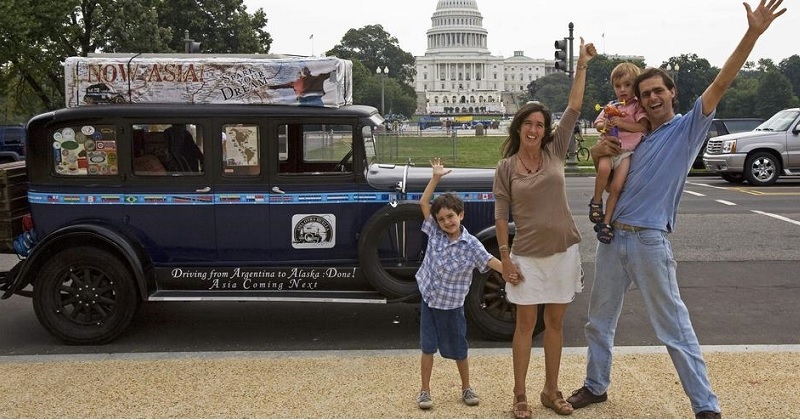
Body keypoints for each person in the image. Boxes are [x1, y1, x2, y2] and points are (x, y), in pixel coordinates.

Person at [567, 2, 786, 419]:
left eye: (658, 91)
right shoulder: (637, 134)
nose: (651, 98)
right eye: (644, 93)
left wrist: (753, 34)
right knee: (598, 321)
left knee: (673, 329)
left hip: (649, 240)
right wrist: (599, 147)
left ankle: (705, 406)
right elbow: (603, 157)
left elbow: (722, 81)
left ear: (672, 95)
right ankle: (596, 385)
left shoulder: (687, 129)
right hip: (614, 238)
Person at [493, 37, 597, 419]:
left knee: (555, 324)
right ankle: (519, 394)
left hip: (564, 249)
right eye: (529, 123)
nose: (535, 129)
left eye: (540, 124)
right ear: (518, 127)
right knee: (525, 326)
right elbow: (501, 217)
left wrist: (581, 64)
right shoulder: (505, 169)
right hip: (527, 255)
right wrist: (504, 258)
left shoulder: (555, 150)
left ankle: (550, 390)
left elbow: (574, 107)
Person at [415, 157, 504, 410]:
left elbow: (490, 261)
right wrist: (435, 178)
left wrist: (511, 272)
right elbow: (424, 203)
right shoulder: (434, 232)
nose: (447, 222)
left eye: (451, 217)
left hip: (452, 306)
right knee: (427, 347)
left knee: (459, 348)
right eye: (442, 219)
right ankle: (424, 390)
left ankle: (466, 387)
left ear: (461, 215)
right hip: (430, 299)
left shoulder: (472, 244)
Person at [589, 63, 649, 243]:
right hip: (609, 147)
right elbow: (597, 123)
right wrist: (604, 126)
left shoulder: (637, 107)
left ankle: (606, 223)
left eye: (627, 85)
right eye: (618, 86)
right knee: (604, 170)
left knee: (616, 188)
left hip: (626, 152)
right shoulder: (610, 106)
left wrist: (622, 124)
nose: (622, 90)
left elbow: (643, 127)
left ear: (636, 86)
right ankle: (596, 202)